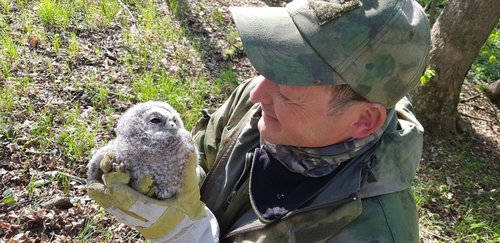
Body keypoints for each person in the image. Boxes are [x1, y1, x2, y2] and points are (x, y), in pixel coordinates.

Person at [86, 0, 430, 241]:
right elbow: (206, 155)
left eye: (289, 84)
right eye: (273, 67)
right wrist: (164, 182)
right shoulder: (259, 105)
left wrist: (187, 235)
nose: (257, 94)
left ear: (363, 121)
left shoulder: (375, 233)